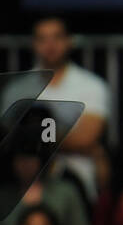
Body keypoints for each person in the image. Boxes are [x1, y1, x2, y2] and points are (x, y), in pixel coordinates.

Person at [0, 16, 111, 206]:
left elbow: (86, 138)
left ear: (69, 41)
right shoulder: (16, 90)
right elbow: (8, 138)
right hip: (24, 188)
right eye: (42, 39)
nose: (50, 45)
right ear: (34, 44)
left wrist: (31, 134)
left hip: (80, 185)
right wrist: (64, 137)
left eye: (56, 37)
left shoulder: (92, 86)